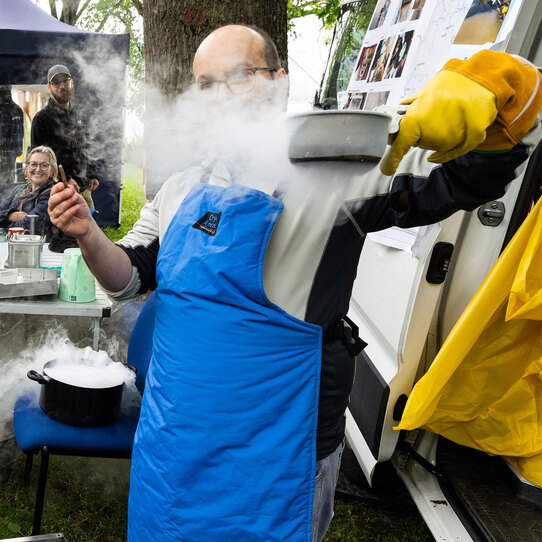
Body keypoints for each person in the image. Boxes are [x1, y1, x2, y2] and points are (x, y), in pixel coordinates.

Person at [48, 24, 542, 542]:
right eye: (205, 83)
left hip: (274, 451)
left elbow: (469, 174)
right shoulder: (180, 188)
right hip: (172, 438)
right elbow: (130, 278)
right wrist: (86, 234)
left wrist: (496, 83)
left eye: (239, 76)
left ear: (280, 81)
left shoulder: (337, 173)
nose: (219, 95)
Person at [31, 65, 99, 210]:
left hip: (83, 186)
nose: (62, 86)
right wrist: (66, 178)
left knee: (89, 229)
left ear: (72, 83)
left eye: (65, 81)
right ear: (49, 87)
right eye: (56, 83)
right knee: (63, 230)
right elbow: (39, 159)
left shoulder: (79, 112)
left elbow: (86, 144)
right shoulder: (42, 119)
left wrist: (92, 173)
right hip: (57, 189)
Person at [0, 146, 57, 239]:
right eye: (33, 164)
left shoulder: (52, 194)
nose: (38, 169)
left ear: (52, 170)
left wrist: (4, 227)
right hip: (12, 245)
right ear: (27, 167)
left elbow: (30, 226)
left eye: (44, 165)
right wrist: (11, 216)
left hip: (40, 249)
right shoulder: (19, 189)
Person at [0, 86, 24, 185]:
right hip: (12, 152)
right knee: (8, 181)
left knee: (4, 182)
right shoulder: (17, 109)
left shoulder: (3, 110)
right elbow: (20, 133)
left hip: (4, 153)